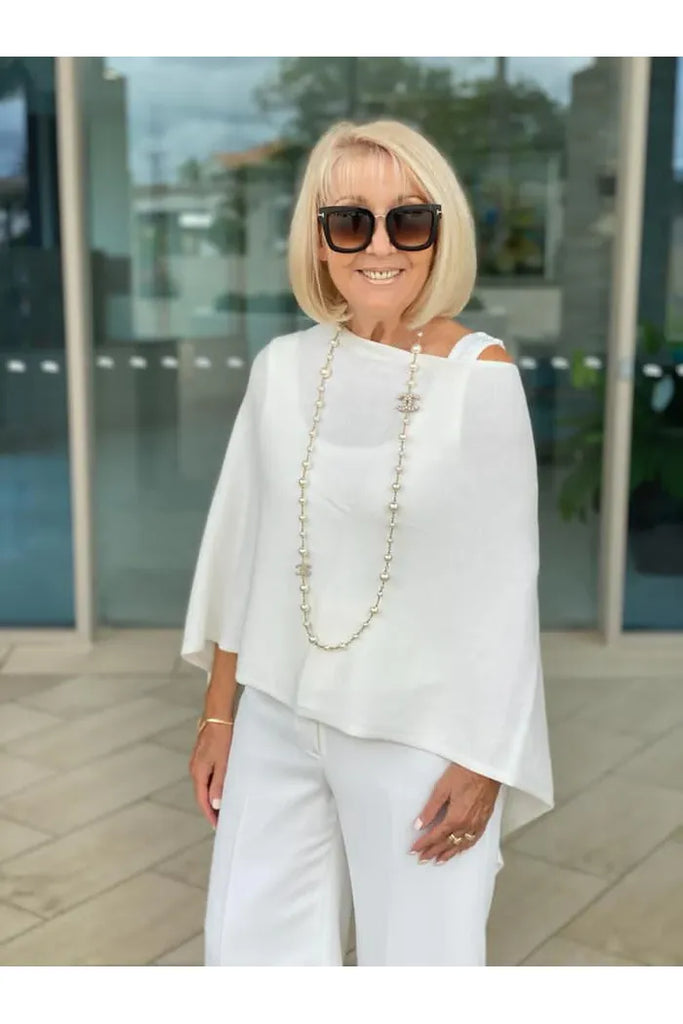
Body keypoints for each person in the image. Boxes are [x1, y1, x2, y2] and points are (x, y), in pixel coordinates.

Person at [181, 118, 554, 967]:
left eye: (406, 219)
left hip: (417, 730)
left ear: (437, 232)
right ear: (318, 239)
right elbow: (249, 552)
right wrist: (218, 712)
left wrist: (483, 755)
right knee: (249, 956)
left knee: (418, 965)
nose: (379, 244)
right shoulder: (281, 367)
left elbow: (504, 586)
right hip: (277, 710)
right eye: (349, 219)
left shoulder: (478, 377)